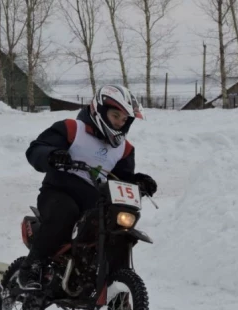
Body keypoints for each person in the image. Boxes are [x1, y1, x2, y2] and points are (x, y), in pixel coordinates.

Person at [19, 84, 157, 290]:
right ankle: (32, 266)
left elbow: (120, 179)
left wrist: (139, 182)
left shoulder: (125, 150)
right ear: (99, 110)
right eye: (115, 115)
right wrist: (52, 155)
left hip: (95, 203)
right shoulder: (72, 129)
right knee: (64, 212)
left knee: (117, 229)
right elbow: (36, 149)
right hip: (58, 191)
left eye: (124, 119)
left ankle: (110, 281)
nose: (119, 122)